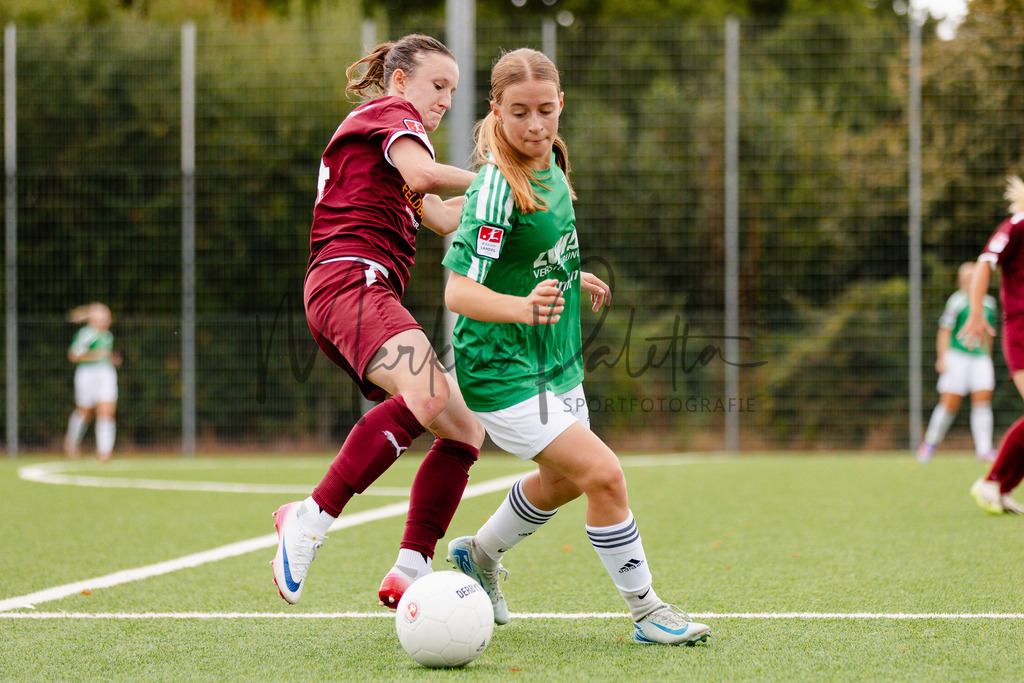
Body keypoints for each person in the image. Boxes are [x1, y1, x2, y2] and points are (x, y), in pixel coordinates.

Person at [440, 48, 710, 646]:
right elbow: (460, 292)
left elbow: (542, 247)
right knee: (604, 475)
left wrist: (570, 274)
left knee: (563, 482)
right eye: (519, 113)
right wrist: (521, 307)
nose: (535, 126)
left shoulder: (554, 163)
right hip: (500, 368)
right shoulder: (494, 187)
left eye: (544, 110)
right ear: (496, 111)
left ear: (561, 104)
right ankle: (647, 612)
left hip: (557, 363)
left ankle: (477, 556)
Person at [270, 34, 486, 608]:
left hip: (356, 289)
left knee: (464, 429)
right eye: (437, 85)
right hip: (350, 280)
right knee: (430, 392)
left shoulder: (396, 144)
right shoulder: (390, 116)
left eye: (452, 90)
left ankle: (412, 565)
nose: (444, 100)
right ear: (399, 81)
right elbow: (425, 178)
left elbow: (440, 215)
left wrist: (516, 199)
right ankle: (309, 517)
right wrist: (504, 179)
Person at [961, 175, 1024, 514]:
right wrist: (975, 310)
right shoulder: (1017, 225)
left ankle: (997, 486)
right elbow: (986, 261)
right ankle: (993, 481)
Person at [916, 261, 998, 463]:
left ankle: (984, 449)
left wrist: (988, 357)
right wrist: (942, 358)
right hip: (957, 357)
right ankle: (930, 443)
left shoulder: (989, 303)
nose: (971, 281)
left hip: (980, 358)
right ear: (961, 281)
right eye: (967, 278)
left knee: (982, 402)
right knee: (949, 404)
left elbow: (989, 335)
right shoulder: (957, 301)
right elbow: (944, 331)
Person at [64, 302, 120, 461]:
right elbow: (74, 355)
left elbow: (104, 356)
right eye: (103, 316)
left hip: (106, 374)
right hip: (87, 375)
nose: (107, 319)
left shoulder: (108, 335)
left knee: (107, 412)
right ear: (93, 318)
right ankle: (71, 443)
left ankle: (104, 452)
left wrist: (111, 360)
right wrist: (98, 356)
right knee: (85, 413)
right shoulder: (86, 334)